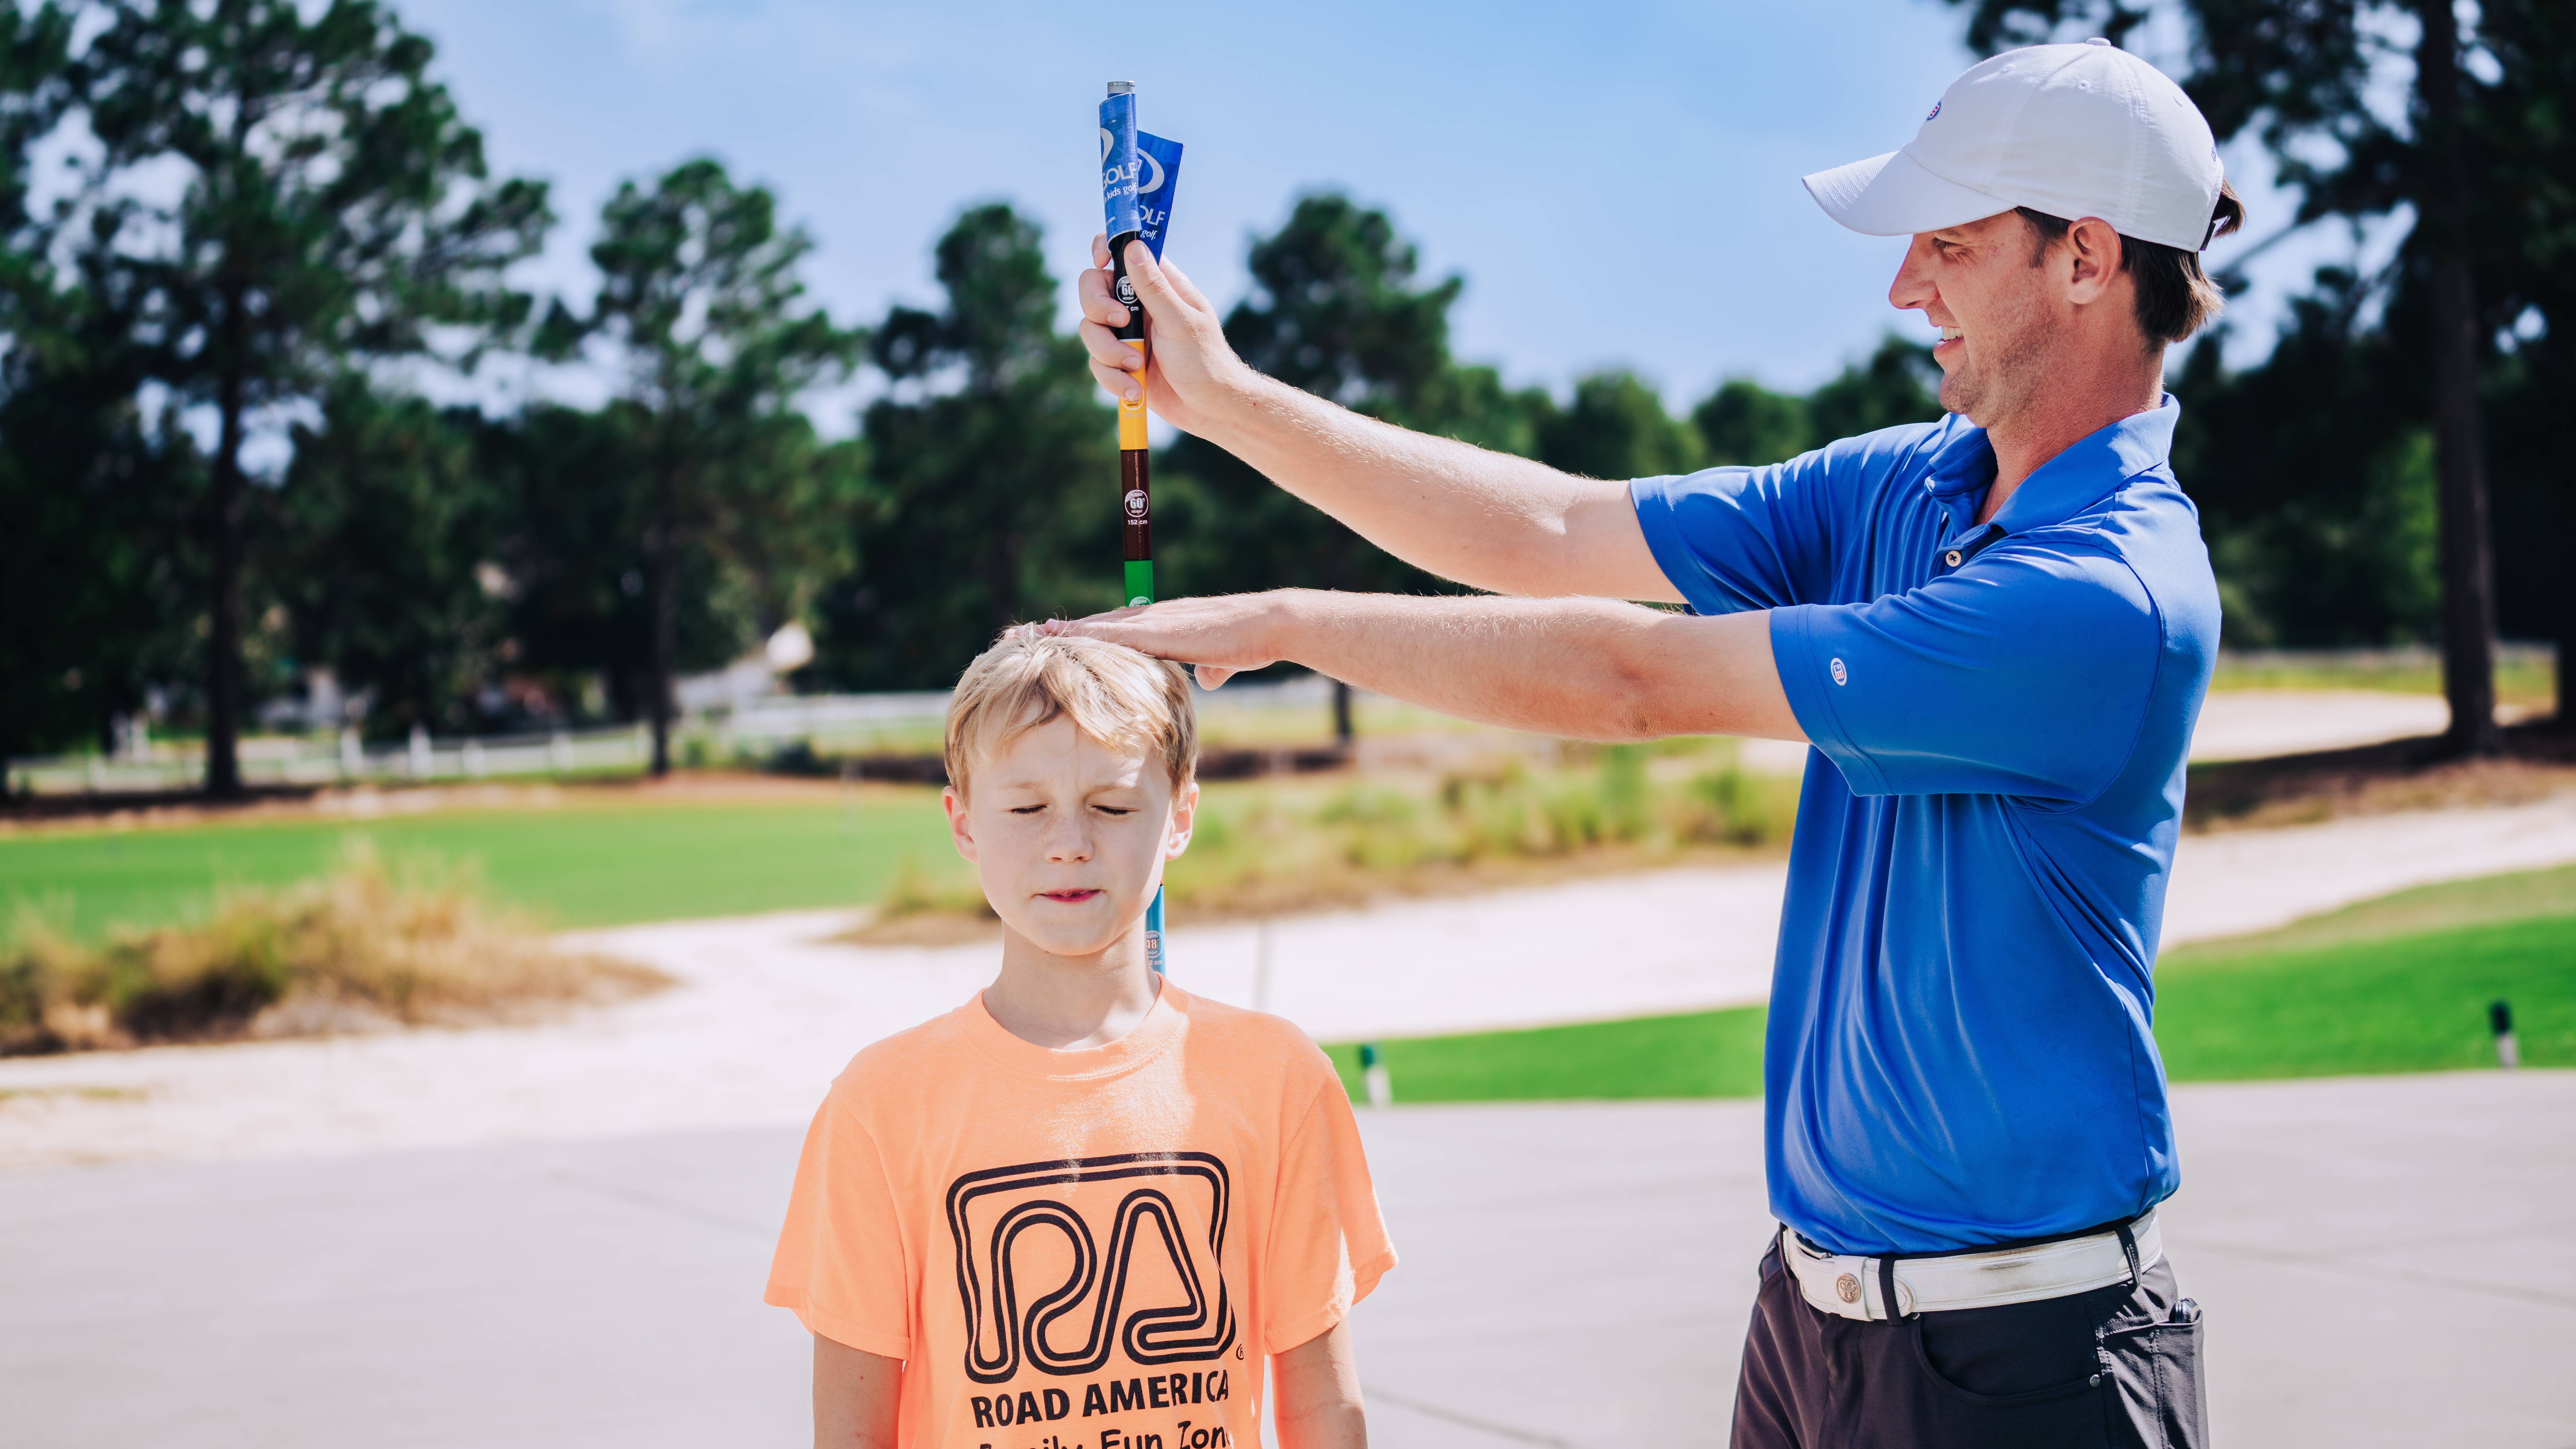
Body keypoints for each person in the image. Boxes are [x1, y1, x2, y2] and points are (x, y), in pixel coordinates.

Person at [1061, 40, 2235, 1449]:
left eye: (1944, 244)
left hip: (2022, 1362)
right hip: (1811, 1318)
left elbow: (1632, 675)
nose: (1901, 285)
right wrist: (1224, 401)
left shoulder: (2100, 597)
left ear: (2085, 260)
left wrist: (1286, 619)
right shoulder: (1910, 482)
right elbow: (1558, 532)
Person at [766, 630, 1394, 1449]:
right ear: (963, 823)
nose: (1070, 840)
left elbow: (1321, 1408)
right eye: (1026, 807)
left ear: (1180, 816)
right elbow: (852, 1434)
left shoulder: (1278, 1078)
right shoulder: (879, 1105)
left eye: (1114, 803)